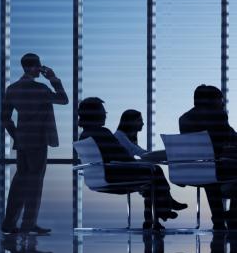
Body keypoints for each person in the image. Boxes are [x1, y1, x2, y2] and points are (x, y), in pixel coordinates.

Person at [78, 98, 186, 230]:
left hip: (100, 177)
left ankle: (156, 215)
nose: (105, 114)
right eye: (102, 111)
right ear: (94, 114)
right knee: (155, 171)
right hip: (114, 174)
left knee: (151, 176)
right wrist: (138, 163)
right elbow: (122, 157)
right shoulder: (102, 132)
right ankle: (163, 208)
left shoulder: (84, 135)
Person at [1, 53, 69, 235]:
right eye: (39, 65)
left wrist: (17, 136)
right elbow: (63, 99)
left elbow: (5, 119)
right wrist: (53, 79)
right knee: (35, 184)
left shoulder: (12, 89)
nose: (40, 69)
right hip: (38, 140)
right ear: (32, 67)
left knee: (19, 183)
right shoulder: (41, 90)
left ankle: (9, 223)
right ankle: (28, 224)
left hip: (22, 142)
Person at [179, 84, 237, 231]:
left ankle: (219, 218)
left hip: (194, 168)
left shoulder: (184, 118)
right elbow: (228, 138)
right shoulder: (217, 114)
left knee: (211, 173)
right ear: (213, 100)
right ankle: (236, 217)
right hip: (219, 166)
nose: (222, 102)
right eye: (221, 99)